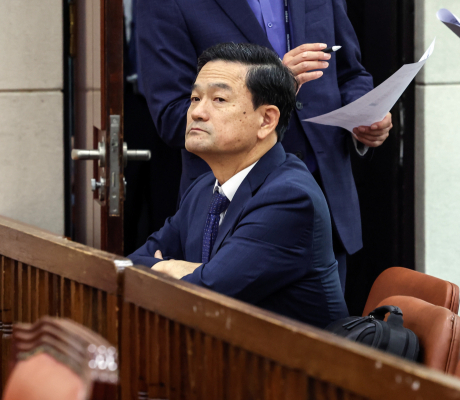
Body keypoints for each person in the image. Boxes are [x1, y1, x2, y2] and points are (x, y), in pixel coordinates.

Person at [135, 0, 393, 294]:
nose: (200, 107)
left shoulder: (299, 197)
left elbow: (350, 74)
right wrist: (275, 82)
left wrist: (364, 113)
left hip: (328, 194)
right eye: (201, 99)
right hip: (229, 199)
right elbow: (172, 115)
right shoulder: (165, 5)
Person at [128, 43, 348, 328]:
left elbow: (207, 294)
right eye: (195, 98)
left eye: (219, 99)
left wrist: (180, 270)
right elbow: (133, 264)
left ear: (266, 120)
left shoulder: (290, 197)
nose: (197, 112)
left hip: (290, 355)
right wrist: (180, 269)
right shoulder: (204, 188)